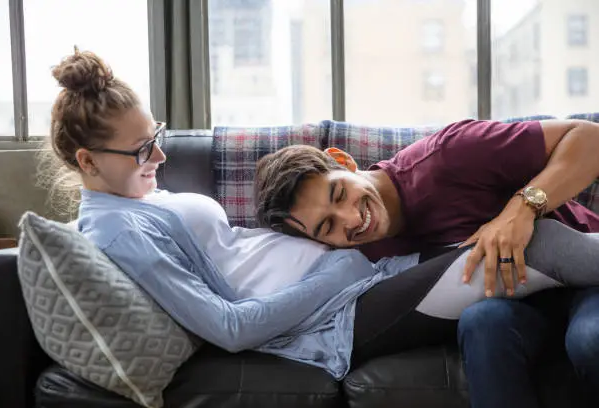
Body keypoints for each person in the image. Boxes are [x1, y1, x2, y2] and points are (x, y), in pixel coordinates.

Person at [41, 49, 599, 405]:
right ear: (89, 161)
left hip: (359, 288)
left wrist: (344, 260)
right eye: (141, 148)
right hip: (337, 310)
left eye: (156, 134)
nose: (160, 154)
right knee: (537, 250)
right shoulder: (117, 232)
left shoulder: (138, 200)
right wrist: (343, 266)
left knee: (530, 249)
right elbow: (230, 325)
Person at [254, 120, 599, 406]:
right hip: (518, 305)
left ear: (343, 161)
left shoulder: (448, 156)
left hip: (582, 274)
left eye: (340, 193)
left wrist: (522, 208)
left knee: (589, 339)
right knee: (482, 324)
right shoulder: (355, 260)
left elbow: (589, 137)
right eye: (328, 226)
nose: (351, 218)